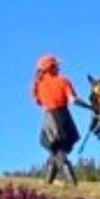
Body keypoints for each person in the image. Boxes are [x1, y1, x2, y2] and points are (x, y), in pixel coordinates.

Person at [32, 54, 80, 185]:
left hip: (48, 117)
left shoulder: (38, 84)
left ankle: (48, 181)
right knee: (59, 150)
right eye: (56, 65)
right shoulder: (63, 81)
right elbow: (73, 100)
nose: (58, 67)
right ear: (51, 67)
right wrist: (90, 107)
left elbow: (38, 101)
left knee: (53, 148)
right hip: (62, 116)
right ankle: (71, 181)